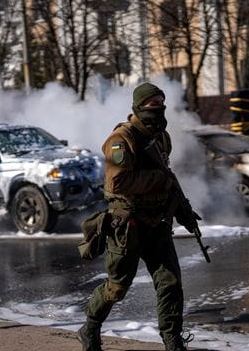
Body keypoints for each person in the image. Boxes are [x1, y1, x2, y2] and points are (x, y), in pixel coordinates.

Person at [78, 83, 196, 351]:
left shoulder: (162, 137)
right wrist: (159, 179)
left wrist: (182, 210)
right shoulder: (122, 139)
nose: (159, 108)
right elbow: (117, 183)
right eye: (153, 103)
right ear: (139, 106)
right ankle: (90, 327)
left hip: (158, 224)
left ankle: (172, 340)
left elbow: (168, 180)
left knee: (171, 283)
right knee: (117, 288)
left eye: (162, 102)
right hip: (128, 226)